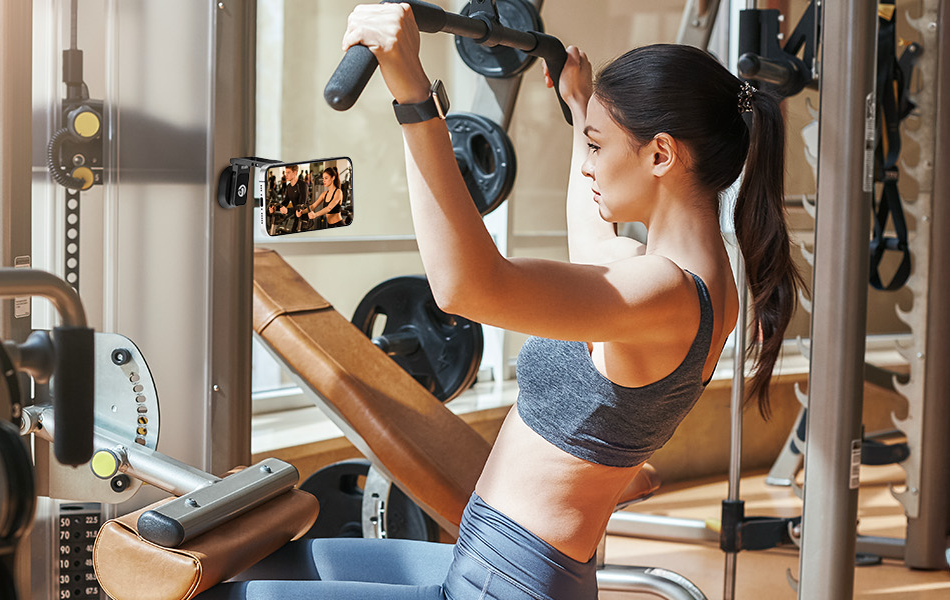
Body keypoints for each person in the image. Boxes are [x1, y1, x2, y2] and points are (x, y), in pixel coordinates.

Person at [203, 4, 799, 599]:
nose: (589, 164)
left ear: (661, 155)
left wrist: (413, 95)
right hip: (493, 562)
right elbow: (593, 243)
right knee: (268, 569)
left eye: (599, 145)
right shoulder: (692, 278)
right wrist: (578, 110)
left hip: (504, 582)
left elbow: (466, 286)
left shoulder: (663, 292)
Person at [281, 163, 311, 232]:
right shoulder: (289, 186)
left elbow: (301, 204)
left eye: (288, 172)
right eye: (286, 173)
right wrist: (276, 207)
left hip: (304, 217)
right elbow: (285, 202)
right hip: (296, 215)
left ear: (295, 172)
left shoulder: (302, 185)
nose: (286, 175)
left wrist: (287, 210)